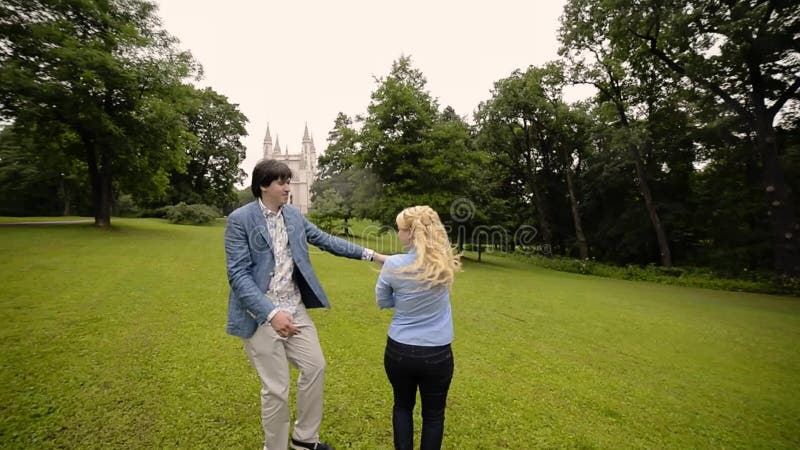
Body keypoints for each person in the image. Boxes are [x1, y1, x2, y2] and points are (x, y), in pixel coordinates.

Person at [225, 159, 385, 450]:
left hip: (294, 308)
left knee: (315, 367)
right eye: (282, 183)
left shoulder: (294, 217)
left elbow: (326, 240)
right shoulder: (240, 219)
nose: (289, 188)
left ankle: (304, 440)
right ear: (263, 186)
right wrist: (271, 314)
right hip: (260, 314)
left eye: (289, 181)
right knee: (277, 390)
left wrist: (375, 256)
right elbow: (237, 274)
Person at [375, 205, 461, 450]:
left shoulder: (393, 265)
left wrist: (402, 301)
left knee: (402, 407)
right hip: (438, 353)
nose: (398, 233)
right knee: (434, 415)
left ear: (412, 233)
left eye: (400, 229)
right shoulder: (444, 265)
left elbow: (382, 301)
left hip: (399, 351)